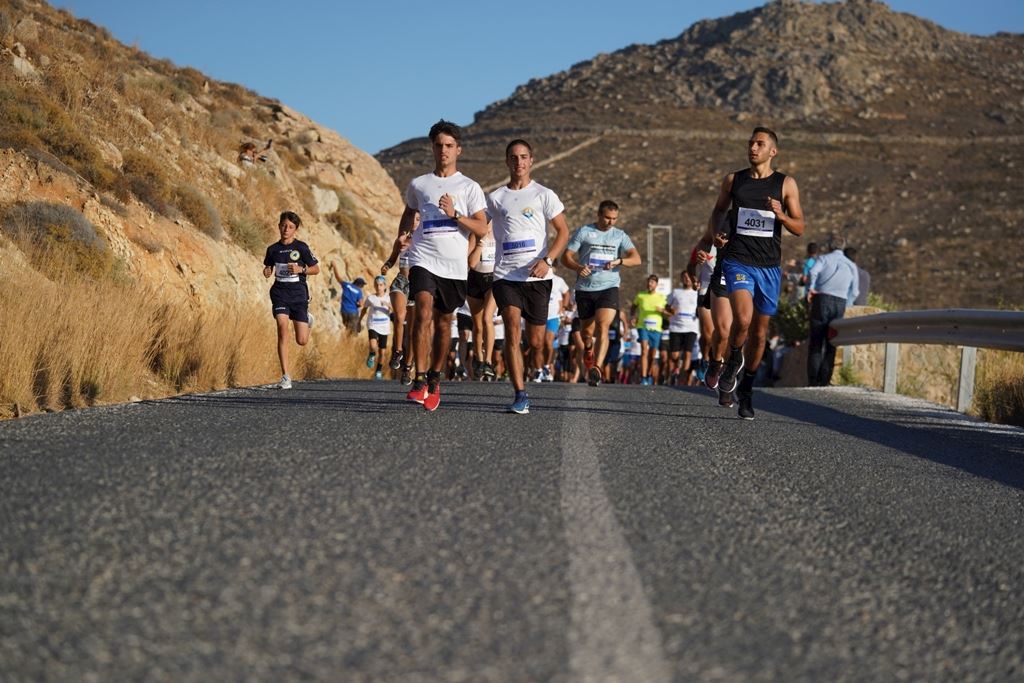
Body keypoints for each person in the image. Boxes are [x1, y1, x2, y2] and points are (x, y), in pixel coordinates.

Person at [703, 126, 805, 419]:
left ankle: (746, 389)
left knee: (759, 336)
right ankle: (733, 358)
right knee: (743, 319)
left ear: (773, 151)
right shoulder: (734, 180)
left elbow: (799, 228)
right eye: (751, 143)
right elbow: (719, 211)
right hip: (738, 261)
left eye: (759, 144)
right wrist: (718, 233)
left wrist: (781, 214)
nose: (753, 148)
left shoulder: (786, 184)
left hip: (769, 268)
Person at [399, 120, 488, 411]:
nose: (443, 150)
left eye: (449, 146)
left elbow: (482, 227)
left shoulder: (469, 187)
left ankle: (435, 379)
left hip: (454, 266)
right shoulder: (419, 184)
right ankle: (419, 379)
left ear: (458, 150)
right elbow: (409, 212)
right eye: (439, 145)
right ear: (432, 148)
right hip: (423, 258)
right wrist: (404, 236)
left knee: (443, 323)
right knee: (422, 311)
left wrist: (455, 214)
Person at [488, 139, 571, 414]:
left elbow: (563, 232)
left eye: (523, 157)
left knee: (535, 341)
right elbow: (480, 226)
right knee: (512, 329)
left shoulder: (544, 194)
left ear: (531, 160)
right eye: (513, 157)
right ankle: (520, 393)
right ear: (507, 161)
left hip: (537, 277)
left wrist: (547, 261)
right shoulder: (496, 197)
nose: (519, 162)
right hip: (505, 274)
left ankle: (533, 368)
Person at [561, 200, 642, 386]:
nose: (610, 222)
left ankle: (596, 367)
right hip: (585, 289)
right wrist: (578, 267)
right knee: (587, 334)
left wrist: (619, 261)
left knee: (603, 326)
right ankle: (589, 349)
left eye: (614, 219)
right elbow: (566, 257)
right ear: (598, 215)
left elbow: (636, 259)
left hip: (609, 287)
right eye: (607, 217)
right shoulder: (584, 232)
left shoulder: (620, 235)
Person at [262, 211, 319, 389]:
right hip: (279, 293)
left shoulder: (301, 247)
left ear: (296, 229)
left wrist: (301, 270)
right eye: (284, 225)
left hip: (298, 294)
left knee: (302, 340)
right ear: (279, 226)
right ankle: (286, 376)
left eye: (291, 227)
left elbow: (315, 269)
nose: (286, 229)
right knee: (282, 329)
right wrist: (267, 271)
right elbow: (268, 266)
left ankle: (308, 320)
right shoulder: (272, 249)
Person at [807, 233, 859, 387]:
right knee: (832, 342)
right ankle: (824, 380)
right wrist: (847, 303)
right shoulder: (851, 265)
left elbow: (812, 271)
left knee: (816, 342)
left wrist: (811, 288)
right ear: (843, 247)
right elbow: (855, 291)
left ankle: (812, 382)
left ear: (830, 246)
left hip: (822, 299)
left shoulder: (824, 259)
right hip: (840, 302)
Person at [466, 224, 498, 380]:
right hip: (474, 280)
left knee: (487, 318)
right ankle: (478, 358)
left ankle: (488, 361)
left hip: (493, 281)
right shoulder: (474, 235)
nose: (488, 224)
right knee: (477, 324)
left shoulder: (500, 234)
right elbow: (471, 263)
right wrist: (480, 244)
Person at [630, 274, 668, 386]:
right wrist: (633, 316)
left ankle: (650, 374)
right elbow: (633, 306)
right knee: (644, 351)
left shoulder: (662, 297)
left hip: (656, 329)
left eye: (652, 282)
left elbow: (670, 313)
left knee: (652, 355)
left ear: (656, 284)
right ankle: (644, 377)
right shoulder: (641, 295)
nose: (649, 284)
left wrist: (662, 310)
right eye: (648, 282)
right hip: (643, 326)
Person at [667, 269, 700, 386]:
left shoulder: (697, 293)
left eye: (689, 277)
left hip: (691, 327)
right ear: (681, 279)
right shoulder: (676, 292)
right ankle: (676, 369)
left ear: (692, 279)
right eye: (684, 277)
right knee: (674, 355)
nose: (687, 279)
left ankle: (683, 378)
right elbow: (667, 307)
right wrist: (671, 310)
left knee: (688, 353)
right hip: (676, 327)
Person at [359, 275, 393, 379]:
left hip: (384, 327)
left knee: (382, 352)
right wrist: (359, 321)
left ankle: (378, 371)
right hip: (373, 324)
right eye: (377, 285)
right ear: (374, 285)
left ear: (384, 286)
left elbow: (396, 310)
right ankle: (372, 354)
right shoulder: (371, 298)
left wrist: (388, 304)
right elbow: (364, 309)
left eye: (381, 285)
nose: (379, 287)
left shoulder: (389, 298)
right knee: (373, 346)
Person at [543, 272, 570, 382]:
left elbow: (567, 293)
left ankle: (547, 366)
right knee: (538, 344)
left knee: (548, 342)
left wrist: (563, 307)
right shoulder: (536, 277)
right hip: (539, 316)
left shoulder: (558, 280)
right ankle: (539, 369)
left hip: (553, 316)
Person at [331, 263, 366, 333]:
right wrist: (357, 305)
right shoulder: (359, 291)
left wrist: (334, 266)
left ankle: (346, 342)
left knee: (347, 329)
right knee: (353, 333)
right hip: (353, 312)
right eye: (363, 285)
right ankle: (350, 343)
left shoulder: (346, 285)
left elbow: (338, 277)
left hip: (344, 311)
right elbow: (361, 304)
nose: (363, 287)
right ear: (360, 285)